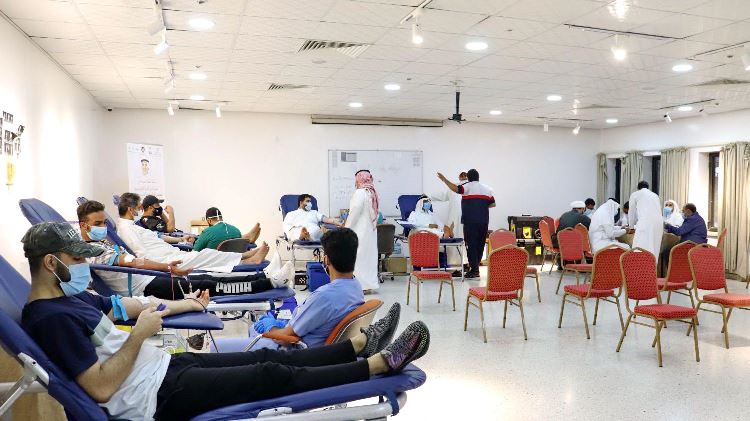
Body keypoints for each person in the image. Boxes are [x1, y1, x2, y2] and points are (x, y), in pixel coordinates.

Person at [19, 221, 430, 421]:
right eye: (76, 259)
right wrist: (139, 335)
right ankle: (377, 365)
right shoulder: (50, 318)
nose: (83, 265)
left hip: (165, 368)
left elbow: (126, 307)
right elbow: (100, 387)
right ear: (52, 263)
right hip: (155, 397)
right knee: (271, 374)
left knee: (272, 359)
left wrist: (182, 305)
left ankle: (357, 345)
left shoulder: (72, 297)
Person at [77, 201, 292, 298]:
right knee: (209, 286)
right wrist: (167, 267)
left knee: (207, 279)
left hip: (149, 278)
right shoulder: (92, 251)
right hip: (144, 288)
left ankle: (264, 276)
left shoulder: (101, 243)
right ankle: (269, 283)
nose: (103, 227)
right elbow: (134, 261)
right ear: (83, 225)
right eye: (98, 224)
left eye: (103, 222)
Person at [251, 228, 376, 349]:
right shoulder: (356, 286)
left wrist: (270, 326)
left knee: (253, 329)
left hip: (298, 353)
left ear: (326, 260)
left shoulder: (324, 296)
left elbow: (284, 339)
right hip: (328, 348)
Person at [116, 192, 269, 272]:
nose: (139, 210)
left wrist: (181, 239)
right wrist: (165, 267)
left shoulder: (132, 226)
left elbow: (159, 236)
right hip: (167, 260)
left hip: (173, 251)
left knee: (206, 254)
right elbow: (142, 255)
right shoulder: (127, 228)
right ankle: (246, 257)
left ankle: (246, 256)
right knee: (206, 254)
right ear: (130, 209)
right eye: (138, 207)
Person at [437, 168, 495, 279]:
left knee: (471, 245)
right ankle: (475, 268)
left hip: (470, 221)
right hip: (483, 221)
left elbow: (455, 188)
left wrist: (444, 180)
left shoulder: (467, 186)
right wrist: (480, 207)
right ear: (478, 177)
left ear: (468, 178)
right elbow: (493, 204)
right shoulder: (487, 189)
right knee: (480, 245)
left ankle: (474, 270)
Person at [344, 170, 380, 291]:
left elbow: (355, 211)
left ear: (359, 180)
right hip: (370, 232)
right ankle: (370, 285)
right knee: (369, 259)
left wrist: (346, 228)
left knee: (358, 258)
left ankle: (360, 286)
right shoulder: (372, 193)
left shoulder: (360, 192)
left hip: (360, 231)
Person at [430, 171, 468, 268]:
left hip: (456, 219)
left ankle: (458, 266)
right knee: (464, 241)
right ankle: (466, 264)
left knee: (457, 241)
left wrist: (430, 195)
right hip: (466, 218)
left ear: (460, 177)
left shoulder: (454, 186)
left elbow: (442, 196)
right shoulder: (470, 187)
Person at [193, 207, 261, 251]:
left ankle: (248, 237)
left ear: (209, 220)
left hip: (214, 264)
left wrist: (191, 242)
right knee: (235, 237)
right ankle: (248, 237)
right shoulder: (236, 230)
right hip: (234, 261)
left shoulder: (207, 231)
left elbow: (195, 250)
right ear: (221, 218)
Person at [628, 181, 664, 257]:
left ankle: (642, 263)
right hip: (659, 223)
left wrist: (631, 227)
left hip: (645, 222)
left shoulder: (635, 194)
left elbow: (631, 212)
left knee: (640, 246)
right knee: (654, 247)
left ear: (638, 188)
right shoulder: (655, 195)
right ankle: (653, 264)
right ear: (648, 187)